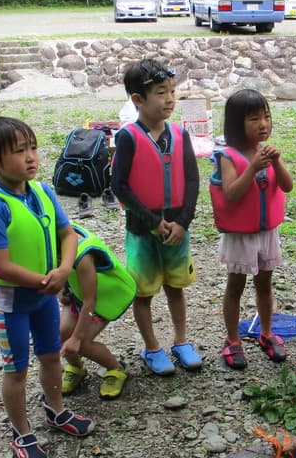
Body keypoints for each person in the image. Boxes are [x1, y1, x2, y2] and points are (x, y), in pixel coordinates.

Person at [0, 117, 94, 458]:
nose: (31, 157)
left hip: (45, 297)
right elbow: (0, 265)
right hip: (12, 302)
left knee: (51, 355)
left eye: (33, 148)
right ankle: (21, 432)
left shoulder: (41, 191)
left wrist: (64, 269)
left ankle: (56, 410)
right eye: (19, 151)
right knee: (16, 369)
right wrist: (46, 281)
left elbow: (67, 233)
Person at [111, 59, 202, 375]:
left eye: (172, 91)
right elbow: (119, 185)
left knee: (176, 286)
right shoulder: (127, 137)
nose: (169, 99)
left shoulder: (180, 134)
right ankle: (152, 347)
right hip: (143, 228)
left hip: (177, 226)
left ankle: (181, 341)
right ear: (138, 99)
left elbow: (192, 180)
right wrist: (152, 220)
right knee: (144, 290)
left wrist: (184, 221)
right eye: (161, 93)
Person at [209, 89, 294, 369]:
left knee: (265, 284)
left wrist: (277, 162)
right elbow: (231, 194)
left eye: (266, 117)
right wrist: (253, 167)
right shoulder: (227, 156)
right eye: (254, 119)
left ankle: (267, 332)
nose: (263, 124)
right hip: (240, 235)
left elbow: (287, 186)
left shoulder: (267, 152)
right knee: (235, 286)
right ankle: (233, 339)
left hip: (266, 232)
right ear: (237, 124)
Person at [59, 223, 136, 398]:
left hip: (103, 298)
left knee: (83, 343)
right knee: (62, 334)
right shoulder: (52, 244)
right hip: (77, 294)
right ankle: (76, 367)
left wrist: (76, 338)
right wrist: (62, 289)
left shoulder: (82, 256)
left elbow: (90, 301)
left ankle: (116, 369)